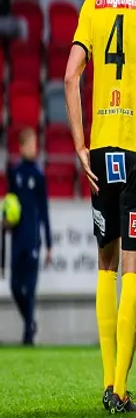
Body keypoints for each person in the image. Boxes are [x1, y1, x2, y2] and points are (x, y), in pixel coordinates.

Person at [64, 0, 136, 412]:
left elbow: (71, 75)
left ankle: (108, 379)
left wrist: (80, 145)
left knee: (107, 259)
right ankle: (120, 385)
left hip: (101, 146)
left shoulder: (94, 4)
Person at [5, 128, 51, 345]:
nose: (35, 148)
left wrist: (49, 244)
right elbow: (10, 205)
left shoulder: (39, 175)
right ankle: (29, 321)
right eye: (31, 145)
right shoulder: (15, 173)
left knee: (30, 288)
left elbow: (44, 211)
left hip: (33, 238)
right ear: (22, 147)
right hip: (17, 238)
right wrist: (6, 221)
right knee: (15, 286)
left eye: (36, 144)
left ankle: (28, 336)